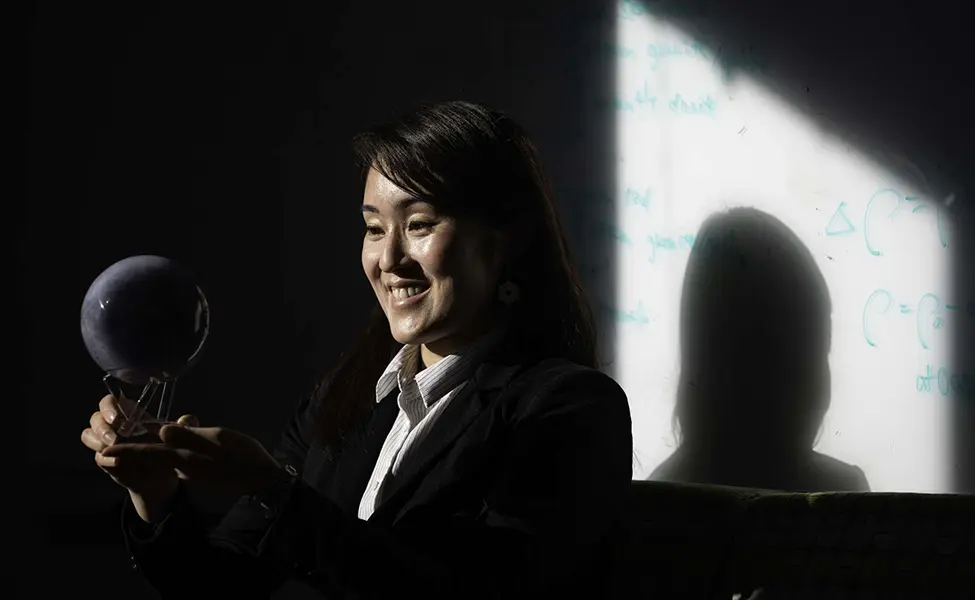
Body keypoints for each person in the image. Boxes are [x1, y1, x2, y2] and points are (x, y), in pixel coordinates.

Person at [80, 101, 633, 598]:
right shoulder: (339, 403)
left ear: (505, 241)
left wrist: (274, 490)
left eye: (419, 224)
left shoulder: (568, 408)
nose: (388, 258)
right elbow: (224, 584)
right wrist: (154, 499)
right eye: (373, 228)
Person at [649, 207, 869, 492]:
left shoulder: (656, 502)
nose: (820, 385)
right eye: (797, 358)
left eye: (820, 353)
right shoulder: (842, 493)